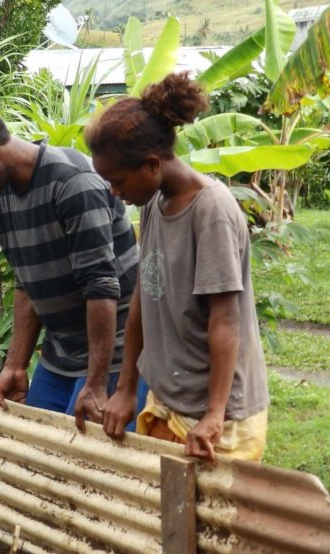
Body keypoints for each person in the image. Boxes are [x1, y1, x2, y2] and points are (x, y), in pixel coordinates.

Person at [84, 72, 269, 462]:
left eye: (117, 182)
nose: (115, 193)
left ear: (151, 164)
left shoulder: (211, 211)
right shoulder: (153, 202)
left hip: (216, 416)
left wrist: (214, 415)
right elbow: (143, 297)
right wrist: (126, 385)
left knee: (210, 523)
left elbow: (224, 320)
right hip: (168, 399)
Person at [0, 106, 141, 431]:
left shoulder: (73, 182)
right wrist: (16, 364)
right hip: (61, 351)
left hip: (115, 353)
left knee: (92, 464)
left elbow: (100, 286)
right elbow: (27, 284)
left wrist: (98, 385)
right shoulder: (2, 202)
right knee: (38, 446)